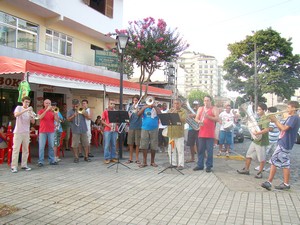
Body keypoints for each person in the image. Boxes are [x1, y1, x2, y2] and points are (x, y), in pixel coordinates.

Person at [261, 101, 300, 190]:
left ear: (294, 108)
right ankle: (285, 184)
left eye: (288, 107)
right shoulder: (290, 118)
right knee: (285, 163)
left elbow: (284, 128)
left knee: (274, 161)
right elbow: (281, 129)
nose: (287, 109)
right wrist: (275, 122)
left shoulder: (294, 118)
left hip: (285, 143)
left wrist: (276, 120)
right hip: (283, 141)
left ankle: (269, 182)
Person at [237, 103, 269, 179]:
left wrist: (257, 132)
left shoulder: (265, 118)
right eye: (257, 109)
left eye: (259, 109)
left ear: (264, 110)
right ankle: (246, 169)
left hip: (261, 141)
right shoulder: (259, 118)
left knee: (261, 158)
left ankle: (260, 173)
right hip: (256, 140)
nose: (258, 111)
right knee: (248, 154)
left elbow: (266, 129)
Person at [193, 95, 219, 173]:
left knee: (209, 151)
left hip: (210, 133)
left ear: (210, 101)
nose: (206, 102)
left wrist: (208, 117)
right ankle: (200, 165)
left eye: (207, 100)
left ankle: (209, 166)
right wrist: (198, 122)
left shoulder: (214, 109)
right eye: (205, 100)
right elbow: (196, 118)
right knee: (200, 150)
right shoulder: (200, 108)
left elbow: (217, 119)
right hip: (201, 132)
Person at [10, 96, 35, 173]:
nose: (27, 103)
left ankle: (24, 165)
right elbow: (16, 115)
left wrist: (31, 115)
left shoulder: (30, 110)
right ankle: (14, 166)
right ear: (22, 102)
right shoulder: (19, 107)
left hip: (26, 132)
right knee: (16, 149)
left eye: (28, 102)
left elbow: (33, 122)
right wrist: (26, 110)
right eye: (26, 102)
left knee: (25, 149)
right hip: (18, 132)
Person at [138, 97, 161, 168]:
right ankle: (144, 162)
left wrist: (155, 107)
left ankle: (152, 161)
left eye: (152, 101)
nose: (150, 103)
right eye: (150, 101)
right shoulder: (145, 108)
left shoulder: (156, 109)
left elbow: (160, 115)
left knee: (153, 145)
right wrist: (144, 107)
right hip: (144, 128)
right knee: (144, 145)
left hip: (154, 129)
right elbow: (138, 114)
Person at [255, 106, 280, 171]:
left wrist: (264, 127)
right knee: (273, 153)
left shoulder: (271, 120)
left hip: (270, 139)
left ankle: (262, 167)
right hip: (275, 139)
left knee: (264, 153)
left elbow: (270, 129)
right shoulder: (277, 118)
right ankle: (273, 166)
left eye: (268, 111)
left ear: (269, 112)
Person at [67, 99, 91, 163]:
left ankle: (86, 157)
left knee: (86, 144)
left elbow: (89, 118)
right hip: (75, 130)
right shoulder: (70, 111)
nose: (76, 106)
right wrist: (74, 115)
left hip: (83, 129)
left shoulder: (82, 109)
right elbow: (68, 119)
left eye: (77, 105)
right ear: (72, 105)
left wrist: (83, 112)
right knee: (75, 145)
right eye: (74, 105)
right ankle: (76, 157)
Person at [166, 99, 187, 170]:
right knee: (171, 149)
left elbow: (184, 120)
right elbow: (166, 119)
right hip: (171, 134)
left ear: (180, 104)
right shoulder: (170, 110)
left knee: (180, 150)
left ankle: (181, 164)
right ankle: (173, 163)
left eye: (177, 103)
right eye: (174, 103)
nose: (176, 105)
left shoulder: (183, 111)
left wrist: (176, 114)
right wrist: (171, 113)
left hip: (179, 134)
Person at [37, 99, 59, 167]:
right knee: (41, 147)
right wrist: (46, 110)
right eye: (46, 103)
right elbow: (40, 117)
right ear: (44, 104)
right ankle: (41, 161)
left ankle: (52, 160)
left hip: (51, 131)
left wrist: (55, 113)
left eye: (49, 103)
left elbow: (57, 120)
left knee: (51, 146)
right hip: (42, 131)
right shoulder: (40, 111)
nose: (48, 105)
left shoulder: (52, 112)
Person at [126, 95, 142, 164]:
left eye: (136, 100)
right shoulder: (130, 107)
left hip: (138, 126)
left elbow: (140, 115)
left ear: (138, 101)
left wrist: (138, 110)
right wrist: (129, 115)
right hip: (131, 126)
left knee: (137, 143)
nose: (135, 101)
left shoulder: (140, 107)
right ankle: (130, 158)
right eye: (134, 100)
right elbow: (128, 117)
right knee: (130, 143)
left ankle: (137, 158)